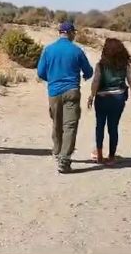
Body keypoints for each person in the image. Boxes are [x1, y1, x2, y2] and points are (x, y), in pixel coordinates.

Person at [37, 22, 94, 173]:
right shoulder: (77, 51)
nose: (75, 35)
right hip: (72, 91)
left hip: (54, 92)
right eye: (74, 33)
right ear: (69, 33)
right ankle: (65, 159)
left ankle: (57, 151)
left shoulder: (48, 50)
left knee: (57, 122)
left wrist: (53, 78)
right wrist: (84, 75)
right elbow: (88, 72)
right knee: (70, 126)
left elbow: (41, 72)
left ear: (60, 33)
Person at [87, 38, 131, 165]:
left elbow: (96, 81)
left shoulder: (101, 65)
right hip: (118, 99)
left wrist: (92, 96)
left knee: (100, 126)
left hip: (102, 99)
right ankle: (111, 157)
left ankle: (99, 156)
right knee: (113, 127)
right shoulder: (125, 65)